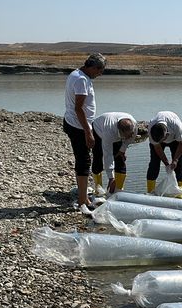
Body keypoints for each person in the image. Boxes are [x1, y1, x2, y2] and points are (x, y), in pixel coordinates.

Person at [63, 53, 107, 209]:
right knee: (84, 161)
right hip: (78, 126)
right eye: (100, 71)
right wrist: (88, 132)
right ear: (93, 67)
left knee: (83, 159)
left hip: (76, 123)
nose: (100, 74)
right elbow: (78, 108)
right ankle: (83, 200)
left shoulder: (77, 74)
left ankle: (84, 197)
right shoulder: (81, 79)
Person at [91, 112, 138, 194]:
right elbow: (107, 155)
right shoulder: (108, 132)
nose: (131, 136)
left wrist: (122, 151)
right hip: (98, 129)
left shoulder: (133, 127)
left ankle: (119, 190)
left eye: (131, 133)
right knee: (98, 157)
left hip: (116, 132)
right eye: (127, 135)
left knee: (120, 159)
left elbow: (129, 140)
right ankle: (98, 189)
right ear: (121, 132)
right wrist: (111, 178)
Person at [146, 111, 182, 194]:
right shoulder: (151, 128)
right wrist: (166, 163)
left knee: (179, 166)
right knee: (154, 164)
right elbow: (157, 147)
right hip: (158, 140)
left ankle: (179, 192)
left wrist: (175, 160)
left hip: (177, 141)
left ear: (167, 135)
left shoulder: (177, 126)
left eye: (162, 141)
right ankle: (150, 191)